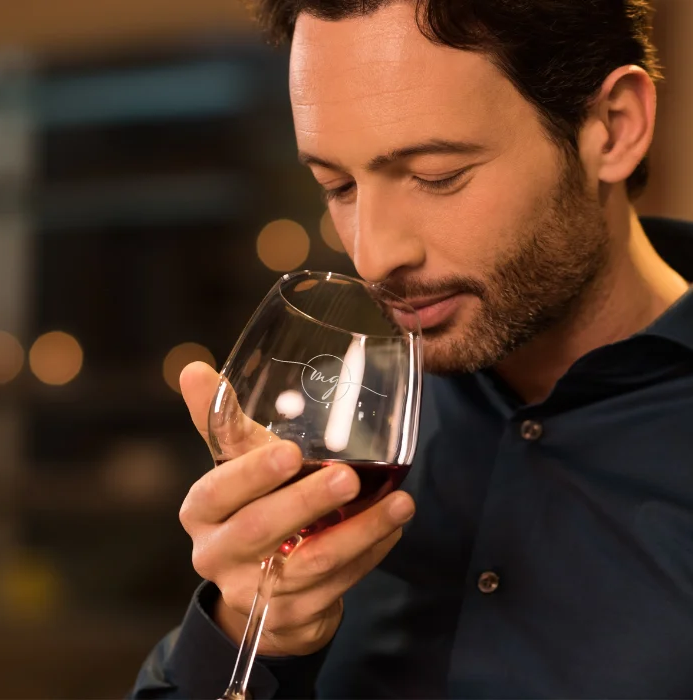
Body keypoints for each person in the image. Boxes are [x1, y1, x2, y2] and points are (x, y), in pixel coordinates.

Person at [131, 0, 693, 697]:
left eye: (436, 175)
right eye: (336, 186)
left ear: (613, 128)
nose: (373, 255)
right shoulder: (333, 422)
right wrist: (250, 630)